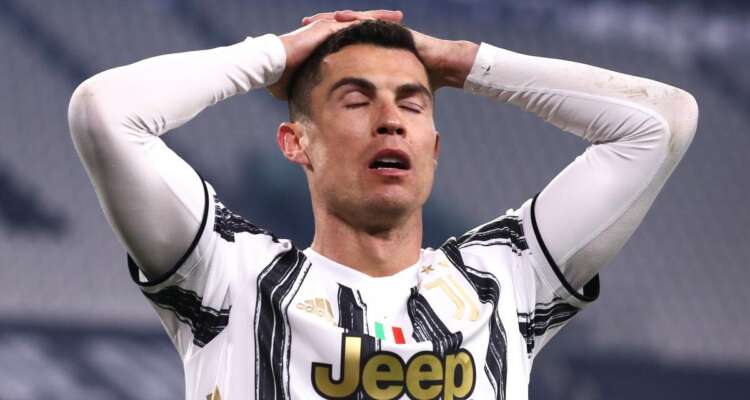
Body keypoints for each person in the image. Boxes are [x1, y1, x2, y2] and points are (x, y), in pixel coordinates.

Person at [68, 9, 698, 400]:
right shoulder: (229, 278)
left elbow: (661, 123)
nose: (391, 119)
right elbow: (104, 113)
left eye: (413, 103)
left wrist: (462, 61)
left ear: (434, 147)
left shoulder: (505, 278)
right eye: (356, 99)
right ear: (296, 142)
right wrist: (274, 55)